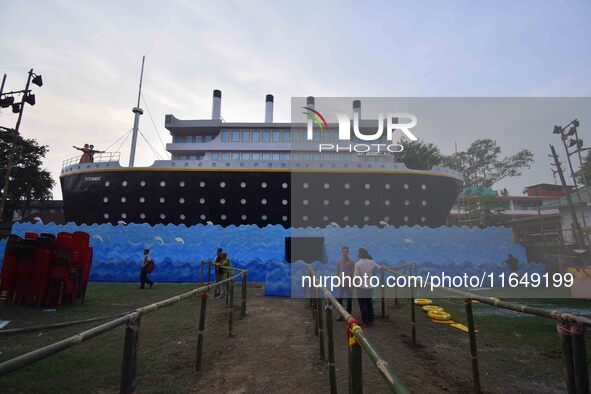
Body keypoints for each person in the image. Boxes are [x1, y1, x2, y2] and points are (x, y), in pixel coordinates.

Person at [354, 248, 380, 326]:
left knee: (363, 304)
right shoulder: (371, 262)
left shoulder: (358, 264)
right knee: (369, 303)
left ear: (360, 254)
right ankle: (370, 319)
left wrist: (354, 284)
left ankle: (365, 321)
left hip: (361, 287)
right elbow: (379, 267)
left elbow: (356, 276)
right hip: (369, 287)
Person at [336, 246, 355, 320]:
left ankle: (349, 315)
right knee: (339, 298)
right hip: (341, 282)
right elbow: (338, 272)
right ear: (341, 252)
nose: (344, 253)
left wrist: (352, 284)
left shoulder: (351, 263)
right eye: (343, 251)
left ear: (348, 252)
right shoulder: (339, 261)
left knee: (349, 299)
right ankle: (341, 314)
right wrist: (337, 280)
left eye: (346, 251)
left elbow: (353, 274)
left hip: (349, 283)